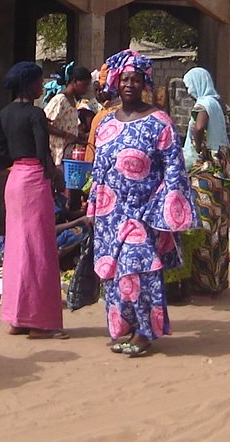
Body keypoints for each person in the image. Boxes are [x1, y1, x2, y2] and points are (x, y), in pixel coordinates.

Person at [89, 49, 198, 357]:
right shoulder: (107, 123)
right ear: (115, 82)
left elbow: (174, 170)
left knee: (140, 270)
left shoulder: (159, 122)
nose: (129, 85)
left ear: (145, 83)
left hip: (144, 214)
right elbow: (99, 169)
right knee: (113, 273)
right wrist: (92, 209)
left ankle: (145, 332)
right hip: (111, 213)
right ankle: (123, 328)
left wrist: (166, 212)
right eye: (124, 79)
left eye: (136, 80)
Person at [0, 61, 68, 340]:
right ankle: (40, 323)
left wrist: (16, 167)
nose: (41, 87)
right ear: (30, 85)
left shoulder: (4, 114)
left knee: (16, 247)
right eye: (39, 82)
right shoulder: (35, 115)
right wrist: (56, 179)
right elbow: (42, 152)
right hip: (35, 180)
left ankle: (17, 318)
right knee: (39, 249)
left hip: (14, 180)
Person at [181, 67, 230, 295]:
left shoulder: (202, 104)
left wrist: (199, 148)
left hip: (204, 172)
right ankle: (218, 280)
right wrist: (222, 144)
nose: (188, 90)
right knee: (220, 226)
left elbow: (199, 126)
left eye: (189, 85)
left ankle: (203, 281)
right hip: (222, 171)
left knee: (203, 226)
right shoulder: (220, 104)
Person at [43, 61, 92, 165]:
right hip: (55, 153)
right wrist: (66, 135)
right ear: (74, 82)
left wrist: (79, 136)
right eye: (84, 85)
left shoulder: (73, 102)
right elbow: (43, 124)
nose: (85, 90)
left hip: (67, 153)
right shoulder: (60, 100)